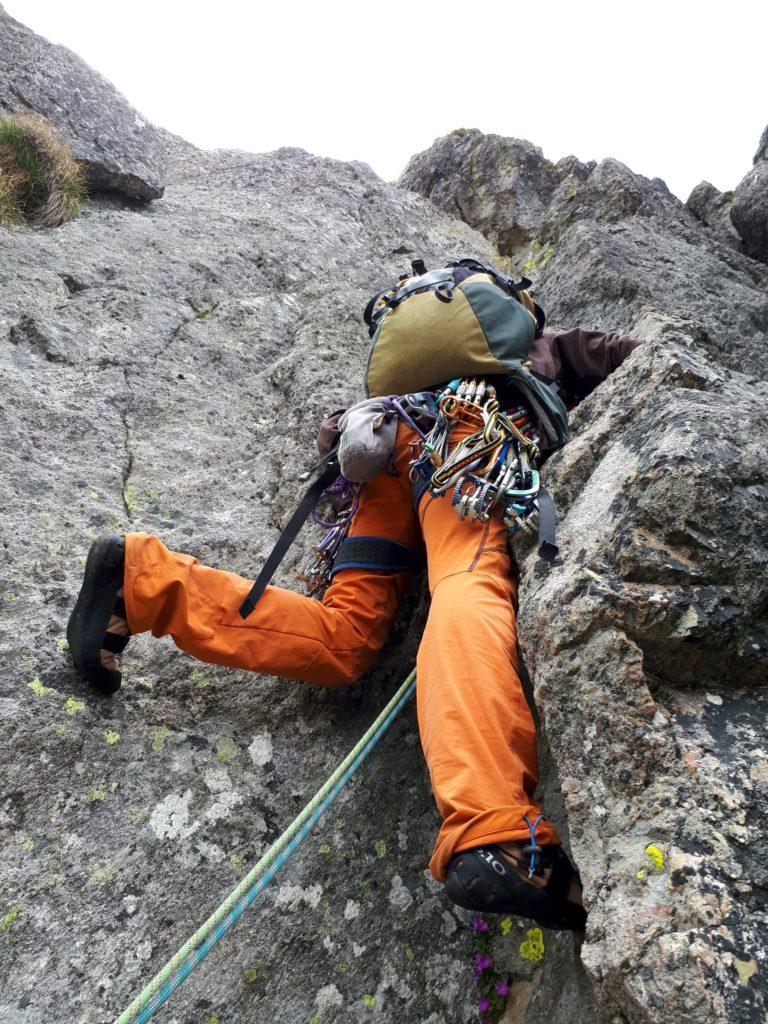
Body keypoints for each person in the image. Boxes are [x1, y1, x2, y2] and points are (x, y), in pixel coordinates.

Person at [68, 297, 642, 933]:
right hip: (467, 437)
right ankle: (494, 826)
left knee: (344, 637)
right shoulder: (537, 345)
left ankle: (143, 581)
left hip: (388, 451)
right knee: (464, 578)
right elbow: (631, 357)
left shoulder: (410, 373)